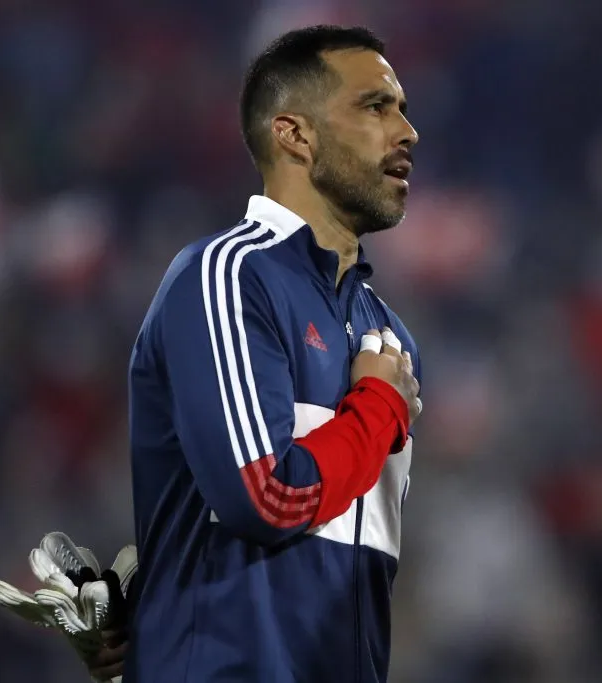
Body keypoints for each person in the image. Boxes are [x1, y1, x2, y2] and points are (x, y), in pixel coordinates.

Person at [121, 24, 422, 682]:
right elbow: (267, 498)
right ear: (295, 134)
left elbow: (359, 561)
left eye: (401, 107)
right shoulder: (227, 278)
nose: (406, 131)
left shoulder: (391, 339)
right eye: (376, 106)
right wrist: (376, 409)